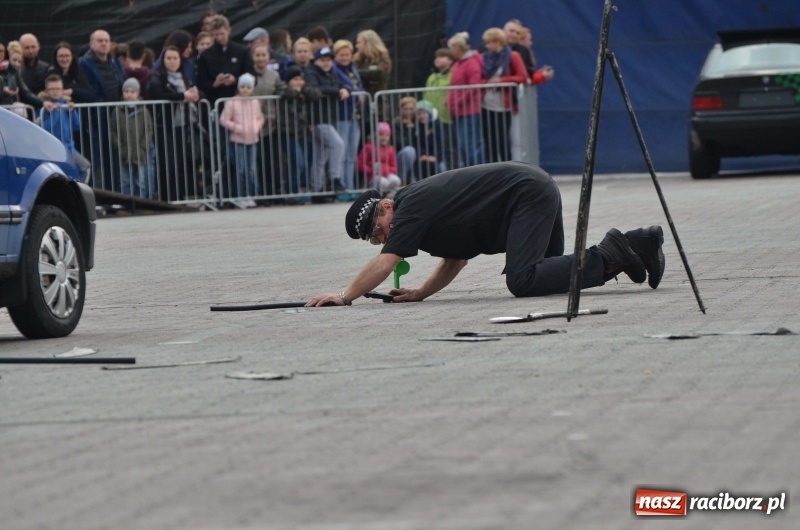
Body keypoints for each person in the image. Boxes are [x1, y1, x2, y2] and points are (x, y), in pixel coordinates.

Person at [305, 162, 665, 307]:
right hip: (532, 189)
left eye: (376, 232)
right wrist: (421, 294)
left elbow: (386, 262)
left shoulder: (408, 207)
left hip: (526, 194)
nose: (381, 239)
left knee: (522, 280)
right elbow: (456, 257)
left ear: (385, 208)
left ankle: (615, 252)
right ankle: (636, 245)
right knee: (550, 274)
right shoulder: (417, 210)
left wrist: (345, 295)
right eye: (373, 239)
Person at [148, 45, 202, 201]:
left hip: (184, 124)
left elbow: (192, 92)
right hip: (164, 124)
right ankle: (167, 196)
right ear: (163, 60)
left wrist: (195, 95)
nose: (172, 62)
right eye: (168, 58)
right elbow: (158, 94)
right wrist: (182, 96)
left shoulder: (185, 77)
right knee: (168, 163)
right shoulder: (157, 77)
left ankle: (182, 194)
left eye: (175, 58)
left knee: (183, 161)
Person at [79, 28, 124, 190]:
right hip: (95, 119)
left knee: (114, 158)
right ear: (91, 44)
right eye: (100, 40)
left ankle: (116, 194)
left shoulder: (114, 62)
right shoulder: (83, 64)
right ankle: (95, 196)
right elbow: (87, 91)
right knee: (96, 159)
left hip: (115, 117)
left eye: (106, 40)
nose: (104, 43)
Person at [304, 46, 347, 196]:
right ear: (316, 60)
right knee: (338, 144)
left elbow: (343, 84)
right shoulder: (311, 72)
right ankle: (334, 178)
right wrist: (338, 91)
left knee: (320, 156)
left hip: (329, 118)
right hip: (318, 119)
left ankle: (317, 190)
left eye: (329, 60)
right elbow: (316, 89)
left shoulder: (332, 73)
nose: (326, 63)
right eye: (323, 60)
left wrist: (345, 88)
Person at [480, 27, 527, 164]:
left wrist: (501, 81)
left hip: (503, 105)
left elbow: (522, 76)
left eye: (489, 43)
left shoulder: (512, 56)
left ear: (497, 42)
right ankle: (492, 171)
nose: (487, 46)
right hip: (486, 104)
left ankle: (507, 169)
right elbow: (478, 79)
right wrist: (487, 82)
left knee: (502, 140)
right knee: (489, 141)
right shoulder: (484, 58)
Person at [219, 73, 264, 206]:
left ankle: (250, 194)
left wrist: (256, 127)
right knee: (241, 169)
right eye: (242, 87)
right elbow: (224, 119)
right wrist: (237, 128)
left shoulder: (255, 102)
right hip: (238, 140)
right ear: (238, 88)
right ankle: (239, 195)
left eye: (248, 87)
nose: (245, 90)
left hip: (253, 139)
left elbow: (260, 117)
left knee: (251, 169)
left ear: (252, 89)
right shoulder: (232, 102)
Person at [276, 65, 320, 196]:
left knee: (305, 162)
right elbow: (286, 93)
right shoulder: (282, 87)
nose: (298, 82)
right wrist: (298, 93)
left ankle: (300, 189)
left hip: (303, 132)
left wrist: (303, 90)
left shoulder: (304, 90)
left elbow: (316, 94)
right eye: (295, 79)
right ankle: (292, 191)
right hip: (288, 132)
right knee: (297, 161)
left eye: (301, 79)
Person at [38, 74, 91, 181]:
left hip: (69, 148)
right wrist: (55, 112)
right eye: (51, 89)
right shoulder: (45, 108)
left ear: (62, 90)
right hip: (52, 149)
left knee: (85, 166)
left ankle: (78, 192)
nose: (55, 91)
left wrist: (73, 112)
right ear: (46, 91)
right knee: (60, 175)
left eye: (58, 88)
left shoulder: (66, 105)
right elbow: (46, 128)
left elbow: (77, 126)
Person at [110, 77, 155, 198]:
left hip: (139, 152)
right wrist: (118, 144)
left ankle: (140, 201)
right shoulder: (117, 111)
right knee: (125, 179)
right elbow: (112, 130)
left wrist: (143, 145)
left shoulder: (144, 111)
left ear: (138, 93)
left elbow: (149, 129)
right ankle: (127, 202)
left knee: (140, 180)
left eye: (132, 91)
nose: (129, 94)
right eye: (126, 91)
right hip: (124, 151)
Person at [196, 15, 255, 105]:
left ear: (229, 31)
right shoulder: (205, 55)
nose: (219, 38)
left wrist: (235, 80)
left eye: (222, 34)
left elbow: (252, 76)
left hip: (240, 102)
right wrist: (214, 84)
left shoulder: (242, 51)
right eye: (216, 34)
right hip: (215, 102)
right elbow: (200, 82)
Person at [446, 32, 484, 168]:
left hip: (469, 111)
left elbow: (474, 86)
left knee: (469, 145)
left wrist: (458, 102)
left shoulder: (471, 63)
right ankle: (470, 172)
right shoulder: (458, 64)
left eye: (452, 48)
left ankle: (478, 172)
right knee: (463, 146)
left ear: (458, 48)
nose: (451, 51)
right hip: (458, 112)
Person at [332, 39, 364, 191]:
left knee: (352, 153)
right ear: (336, 55)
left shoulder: (353, 69)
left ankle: (350, 185)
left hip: (354, 115)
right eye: (341, 54)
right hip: (342, 115)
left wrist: (362, 95)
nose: (345, 57)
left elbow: (358, 86)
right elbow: (345, 87)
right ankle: (343, 186)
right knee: (343, 152)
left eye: (347, 54)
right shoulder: (334, 70)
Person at [425, 47, 455, 171]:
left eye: (442, 57)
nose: (438, 59)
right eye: (437, 57)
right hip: (434, 119)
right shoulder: (432, 77)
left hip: (448, 118)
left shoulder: (453, 75)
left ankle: (454, 170)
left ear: (450, 60)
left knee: (450, 147)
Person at [357, 121, 401, 195]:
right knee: (383, 182)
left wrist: (387, 169)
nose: (384, 138)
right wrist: (371, 170)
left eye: (386, 135)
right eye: (381, 135)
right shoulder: (368, 147)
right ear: (376, 135)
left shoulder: (390, 149)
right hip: (372, 176)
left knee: (396, 180)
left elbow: (394, 166)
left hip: (387, 174)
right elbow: (360, 163)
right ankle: (377, 194)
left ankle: (388, 193)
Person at [1, 40, 44, 114]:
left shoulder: (13, 72)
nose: (17, 64)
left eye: (19, 61)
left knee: (20, 109)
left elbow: (26, 92)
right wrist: (2, 90)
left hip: (8, 112)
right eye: (14, 60)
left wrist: (44, 102)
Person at [413, 99, 445, 180]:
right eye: (419, 114)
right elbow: (417, 143)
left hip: (435, 157)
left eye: (424, 113)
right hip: (422, 157)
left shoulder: (437, 125)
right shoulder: (417, 126)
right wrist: (422, 155)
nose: (421, 116)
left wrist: (435, 156)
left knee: (440, 168)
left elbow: (439, 142)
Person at [391, 95, 418, 184]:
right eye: (406, 109)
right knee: (409, 151)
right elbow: (401, 143)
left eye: (411, 109)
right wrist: (408, 129)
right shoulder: (396, 123)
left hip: (419, 156)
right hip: (401, 156)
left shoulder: (418, 122)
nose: (408, 112)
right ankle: (402, 180)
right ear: (401, 110)